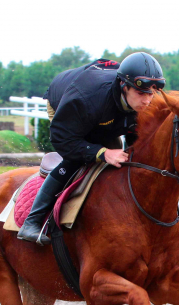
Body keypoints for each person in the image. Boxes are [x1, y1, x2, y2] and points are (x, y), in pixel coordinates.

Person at [17, 52, 166, 245]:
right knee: (78, 158)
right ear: (124, 86)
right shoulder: (86, 99)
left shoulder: (142, 99)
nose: (147, 101)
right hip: (66, 104)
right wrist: (102, 153)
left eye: (151, 94)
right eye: (141, 93)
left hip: (107, 110)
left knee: (129, 152)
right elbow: (63, 140)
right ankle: (32, 221)